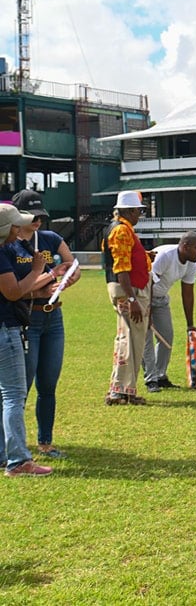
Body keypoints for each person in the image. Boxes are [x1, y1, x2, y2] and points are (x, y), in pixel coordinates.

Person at [12, 190, 80, 459]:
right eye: (32, 215)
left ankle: (45, 442)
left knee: (48, 385)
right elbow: (16, 289)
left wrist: (68, 279)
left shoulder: (50, 238)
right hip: (27, 320)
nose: (38, 220)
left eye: (41, 215)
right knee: (21, 387)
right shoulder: (10, 244)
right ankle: (14, 443)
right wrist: (49, 277)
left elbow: (72, 265)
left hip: (53, 318)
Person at [0, 203, 55, 476]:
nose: (19, 229)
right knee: (13, 395)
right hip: (5, 328)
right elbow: (13, 292)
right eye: (15, 225)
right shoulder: (1, 254)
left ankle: (5, 454)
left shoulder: (8, 249)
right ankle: (18, 461)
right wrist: (37, 271)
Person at [103, 191, 153, 406]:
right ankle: (119, 390)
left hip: (127, 288)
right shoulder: (122, 231)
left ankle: (125, 389)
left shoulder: (117, 229)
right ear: (130, 210)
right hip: (129, 290)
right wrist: (132, 300)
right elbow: (121, 268)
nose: (139, 215)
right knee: (129, 340)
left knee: (131, 339)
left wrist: (144, 257)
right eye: (138, 211)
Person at [143, 232, 196, 393]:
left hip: (161, 299)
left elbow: (188, 293)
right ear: (185, 246)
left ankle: (160, 375)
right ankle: (151, 380)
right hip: (143, 296)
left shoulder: (191, 263)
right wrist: (146, 312)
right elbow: (147, 282)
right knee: (146, 339)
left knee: (166, 337)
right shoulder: (165, 256)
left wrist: (190, 324)